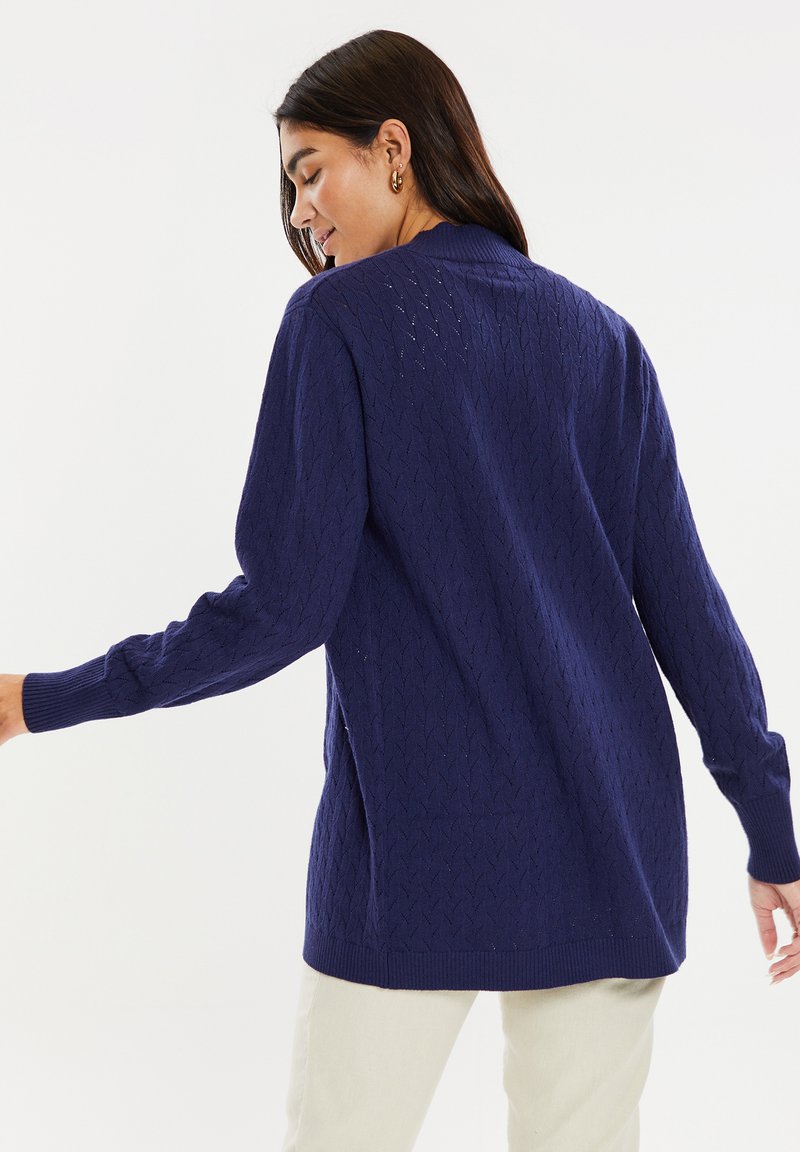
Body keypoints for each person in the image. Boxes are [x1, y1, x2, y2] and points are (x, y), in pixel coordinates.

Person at [2, 26, 799, 1152]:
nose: (299, 215)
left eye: (307, 171)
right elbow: (692, 616)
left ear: (391, 149)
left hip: (416, 856)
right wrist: (771, 834)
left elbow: (280, 607)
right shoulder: (600, 341)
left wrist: (39, 699)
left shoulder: (338, 324)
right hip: (610, 844)